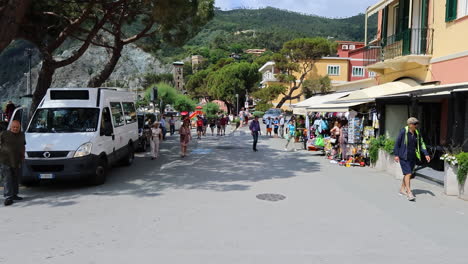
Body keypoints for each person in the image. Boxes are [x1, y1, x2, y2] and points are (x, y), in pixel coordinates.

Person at [394, 117, 431, 201]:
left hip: (412, 156)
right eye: (415, 124)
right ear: (410, 125)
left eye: (417, 124)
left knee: (407, 174)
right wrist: (396, 154)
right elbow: (397, 143)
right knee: (408, 173)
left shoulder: (417, 133)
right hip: (404, 156)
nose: (416, 125)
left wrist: (426, 154)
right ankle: (409, 192)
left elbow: (422, 143)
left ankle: (402, 189)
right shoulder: (403, 131)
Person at [0, 120, 26, 206]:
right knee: (7, 179)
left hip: (17, 160)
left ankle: (14, 194)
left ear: (19, 127)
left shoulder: (22, 135)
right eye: (14, 127)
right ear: (11, 127)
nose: (15, 129)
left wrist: (23, 155)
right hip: (5, 159)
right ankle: (8, 197)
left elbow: (23, 145)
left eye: (17, 127)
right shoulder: (4, 134)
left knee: (15, 178)